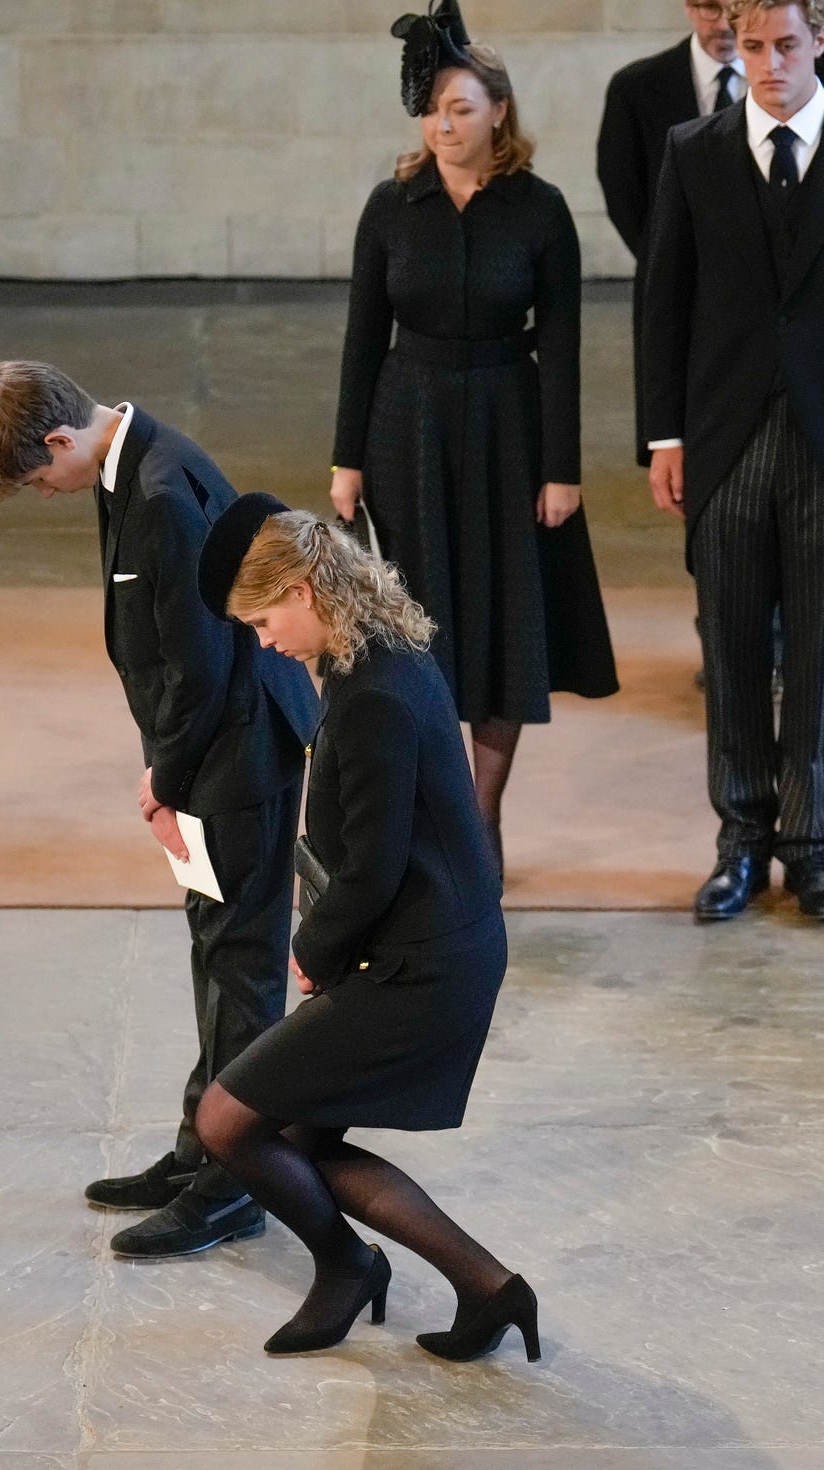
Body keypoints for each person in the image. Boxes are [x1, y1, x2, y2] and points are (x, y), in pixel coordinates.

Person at [0, 362, 319, 1253]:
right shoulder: (131, 462)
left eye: (41, 478)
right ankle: (205, 1143)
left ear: (60, 440)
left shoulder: (160, 492)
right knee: (217, 951)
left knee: (238, 966)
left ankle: (237, 1179)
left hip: (234, 751)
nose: (48, 493)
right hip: (216, 746)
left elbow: (197, 667)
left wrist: (162, 773)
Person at [192, 493, 541, 1362]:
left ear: (307, 590)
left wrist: (311, 953)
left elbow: (375, 868)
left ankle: (350, 1267)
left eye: (266, 620)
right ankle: (486, 1288)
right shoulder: (373, 654)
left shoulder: (374, 694)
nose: (264, 641)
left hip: (422, 966)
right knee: (299, 1138)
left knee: (229, 1122)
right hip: (416, 945)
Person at [330, 0, 617, 872]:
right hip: (406, 427)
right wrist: (345, 461)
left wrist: (561, 470)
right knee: (421, 628)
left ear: (499, 109)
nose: (445, 125)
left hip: (507, 428)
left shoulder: (541, 211)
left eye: (461, 107)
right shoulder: (392, 206)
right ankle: (440, 815)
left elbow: (563, 348)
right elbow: (360, 338)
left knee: (500, 627)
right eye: (432, 110)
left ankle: (481, 821)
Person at [642, 0, 824, 920]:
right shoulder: (694, 150)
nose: (767, 64)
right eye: (752, 46)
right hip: (724, 441)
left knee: (823, 655)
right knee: (735, 646)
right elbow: (662, 300)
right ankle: (742, 843)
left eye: (786, 45)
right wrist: (664, 436)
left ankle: (814, 844)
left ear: (820, 42)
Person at [597, 2, 747, 466]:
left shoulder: (803, 76)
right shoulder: (637, 86)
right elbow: (623, 190)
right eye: (708, 6)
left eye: (734, 8)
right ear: (688, 6)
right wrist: (672, 263)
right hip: (679, 292)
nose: (721, 23)